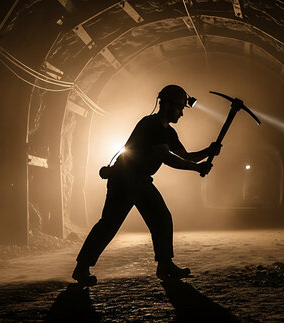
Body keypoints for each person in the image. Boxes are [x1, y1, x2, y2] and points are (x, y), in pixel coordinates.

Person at [72, 84, 220, 285]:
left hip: (140, 180)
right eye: (180, 108)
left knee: (162, 218)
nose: (182, 114)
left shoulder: (169, 132)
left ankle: (165, 265)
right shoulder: (151, 125)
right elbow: (167, 158)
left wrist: (208, 151)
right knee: (109, 224)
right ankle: (82, 268)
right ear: (167, 105)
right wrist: (197, 169)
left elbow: (185, 156)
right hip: (124, 179)